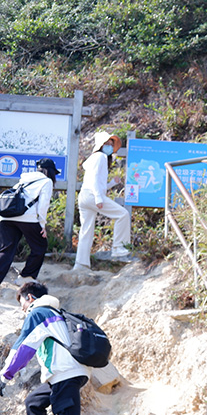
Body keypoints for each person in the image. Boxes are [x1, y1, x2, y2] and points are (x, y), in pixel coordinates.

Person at [0, 282, 89, 415]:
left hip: (65, 372)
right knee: (33, 403)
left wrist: (4, 378)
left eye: (22, 303)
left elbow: (22, 349)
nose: (22, 309)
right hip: (70, 372)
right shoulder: (54, 312)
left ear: (30, 297)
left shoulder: (37, 313)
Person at [74, 131, 130, 271]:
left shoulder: (95, 157)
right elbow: (94, 179)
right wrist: (99, 198)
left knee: (86, 230)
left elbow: (96, 182)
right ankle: (118, 248)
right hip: (93, 196)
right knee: (122, 214)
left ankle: (81, 264)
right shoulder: (101, 157)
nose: (110, 146)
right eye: (107, 144)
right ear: (100, 145)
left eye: (111, 144)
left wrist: (111, 183)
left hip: (85, 196)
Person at [0, 158, 60, 285]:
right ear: (50, 171)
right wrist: (42, 225)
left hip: (6, 217)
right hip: (27, 217)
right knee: (40, 246)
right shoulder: (46, 181)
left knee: (6, 251)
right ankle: (26, 277)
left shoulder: (23, 180)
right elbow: (43, 205)